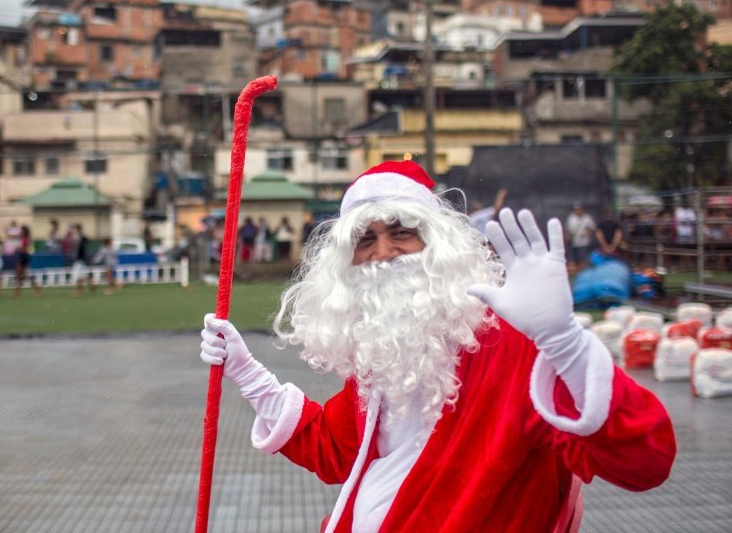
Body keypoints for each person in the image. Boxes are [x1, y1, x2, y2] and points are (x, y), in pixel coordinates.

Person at [200, 161, 675, 532]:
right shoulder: (389, 352)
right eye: (365, 240)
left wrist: (562, 341)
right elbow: (335, 448)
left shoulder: (513, 345)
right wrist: (247, 372)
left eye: (401, 232)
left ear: (439, 244)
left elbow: (644, 462)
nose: (382, 253)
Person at [565, 202, 596, 271]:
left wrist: (586, 233)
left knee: (583, 258)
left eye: (579, 209)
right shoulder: (571, 218)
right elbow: (568, 229)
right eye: (576, 209)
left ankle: (583, 270)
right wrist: (568, 237)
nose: (577, 211)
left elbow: (592, 228)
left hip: (583, 242)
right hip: (573, 242)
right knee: (572, 259)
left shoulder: (587, 218)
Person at [14, 225, 42, 298]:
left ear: (24, 232)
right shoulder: (22, 238)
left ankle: (37, 288)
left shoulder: (26, 238)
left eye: (22, 231)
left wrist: (18, 248)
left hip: (23, 256)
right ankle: (18, 292)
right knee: (20, 275)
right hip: (21, 255)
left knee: (21, 275)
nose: (20, 232)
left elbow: (26, 248)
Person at [72, 224, 95, 297]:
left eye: (76, 229)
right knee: (79, 277)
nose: (75, 231)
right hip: (79, 260)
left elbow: (84, 248)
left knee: (77, 277)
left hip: (80, 260)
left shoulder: (82, 238)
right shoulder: (79, 238)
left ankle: (80, 292)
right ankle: (90, 283)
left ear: (79, 229)